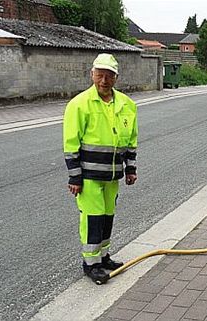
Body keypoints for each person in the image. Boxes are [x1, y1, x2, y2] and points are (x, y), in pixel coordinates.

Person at [63, 53, 138, 284]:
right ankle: (91, 264)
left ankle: (104, 257)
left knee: (107, 217)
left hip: (112, 175)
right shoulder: (79, 104)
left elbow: (131, 140)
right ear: (92, 75)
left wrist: (131, 168)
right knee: (93, 218)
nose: (104, 80)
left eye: (109, 76)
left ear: (116, 78)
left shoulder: (127, 105)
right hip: (88, 177)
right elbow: (71, 144)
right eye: (100, 75)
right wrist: (75, 177)